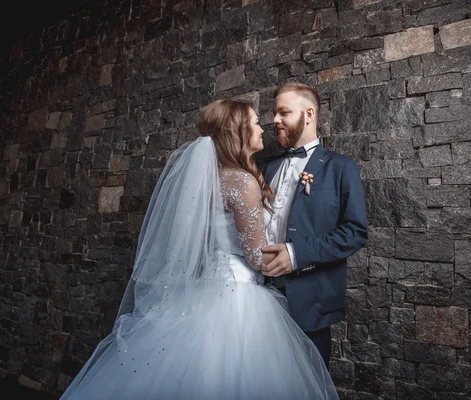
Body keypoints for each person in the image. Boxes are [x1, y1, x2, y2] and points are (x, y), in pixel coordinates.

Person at [59, 99, 338, 400]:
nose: (262, 128)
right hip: (239, 297)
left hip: (204, 289)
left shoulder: (206, 179)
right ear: (239, 132)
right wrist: (293, 254)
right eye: (256, 122)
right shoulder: (242, 181)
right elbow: (256, 258)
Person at [261, 83, 369, 368]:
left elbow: (356, 232)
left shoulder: (341, 167)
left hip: (310, 302)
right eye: (275, 113)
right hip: (259, 299)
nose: (275, 120)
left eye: (283, 112)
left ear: (308, 114)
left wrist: (297, 254)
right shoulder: (268, 167)